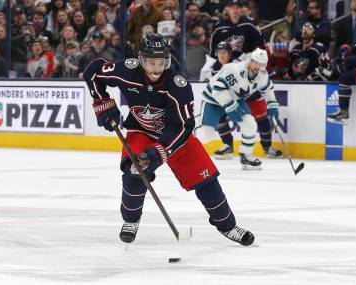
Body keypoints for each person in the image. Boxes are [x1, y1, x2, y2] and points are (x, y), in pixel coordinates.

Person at [82, 33, 254, 246]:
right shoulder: (126, 70)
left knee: (207, 181)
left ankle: (228, 226)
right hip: (141, 132)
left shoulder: (177, 85)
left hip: (176, 139)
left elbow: (183, 127)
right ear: (141, 59)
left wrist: (159, 152)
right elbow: (93, 72)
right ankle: (131, 221)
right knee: (135, 172)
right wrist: (103, 104)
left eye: (161, 62)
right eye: (151, 62)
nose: (156, 68)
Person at [196, 48, 280, 169]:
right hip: (213, 100)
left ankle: (246, 156)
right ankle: (187, 140)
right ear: (251, 61)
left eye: (262, 64)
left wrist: (272, 104)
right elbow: (218, 89)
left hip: (235, 99)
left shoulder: (262, 74)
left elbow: (267, 89)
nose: (258, 66)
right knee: (206, 136)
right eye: (256, 62)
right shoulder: (235, 70)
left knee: (250, 123)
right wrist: (230, 106)